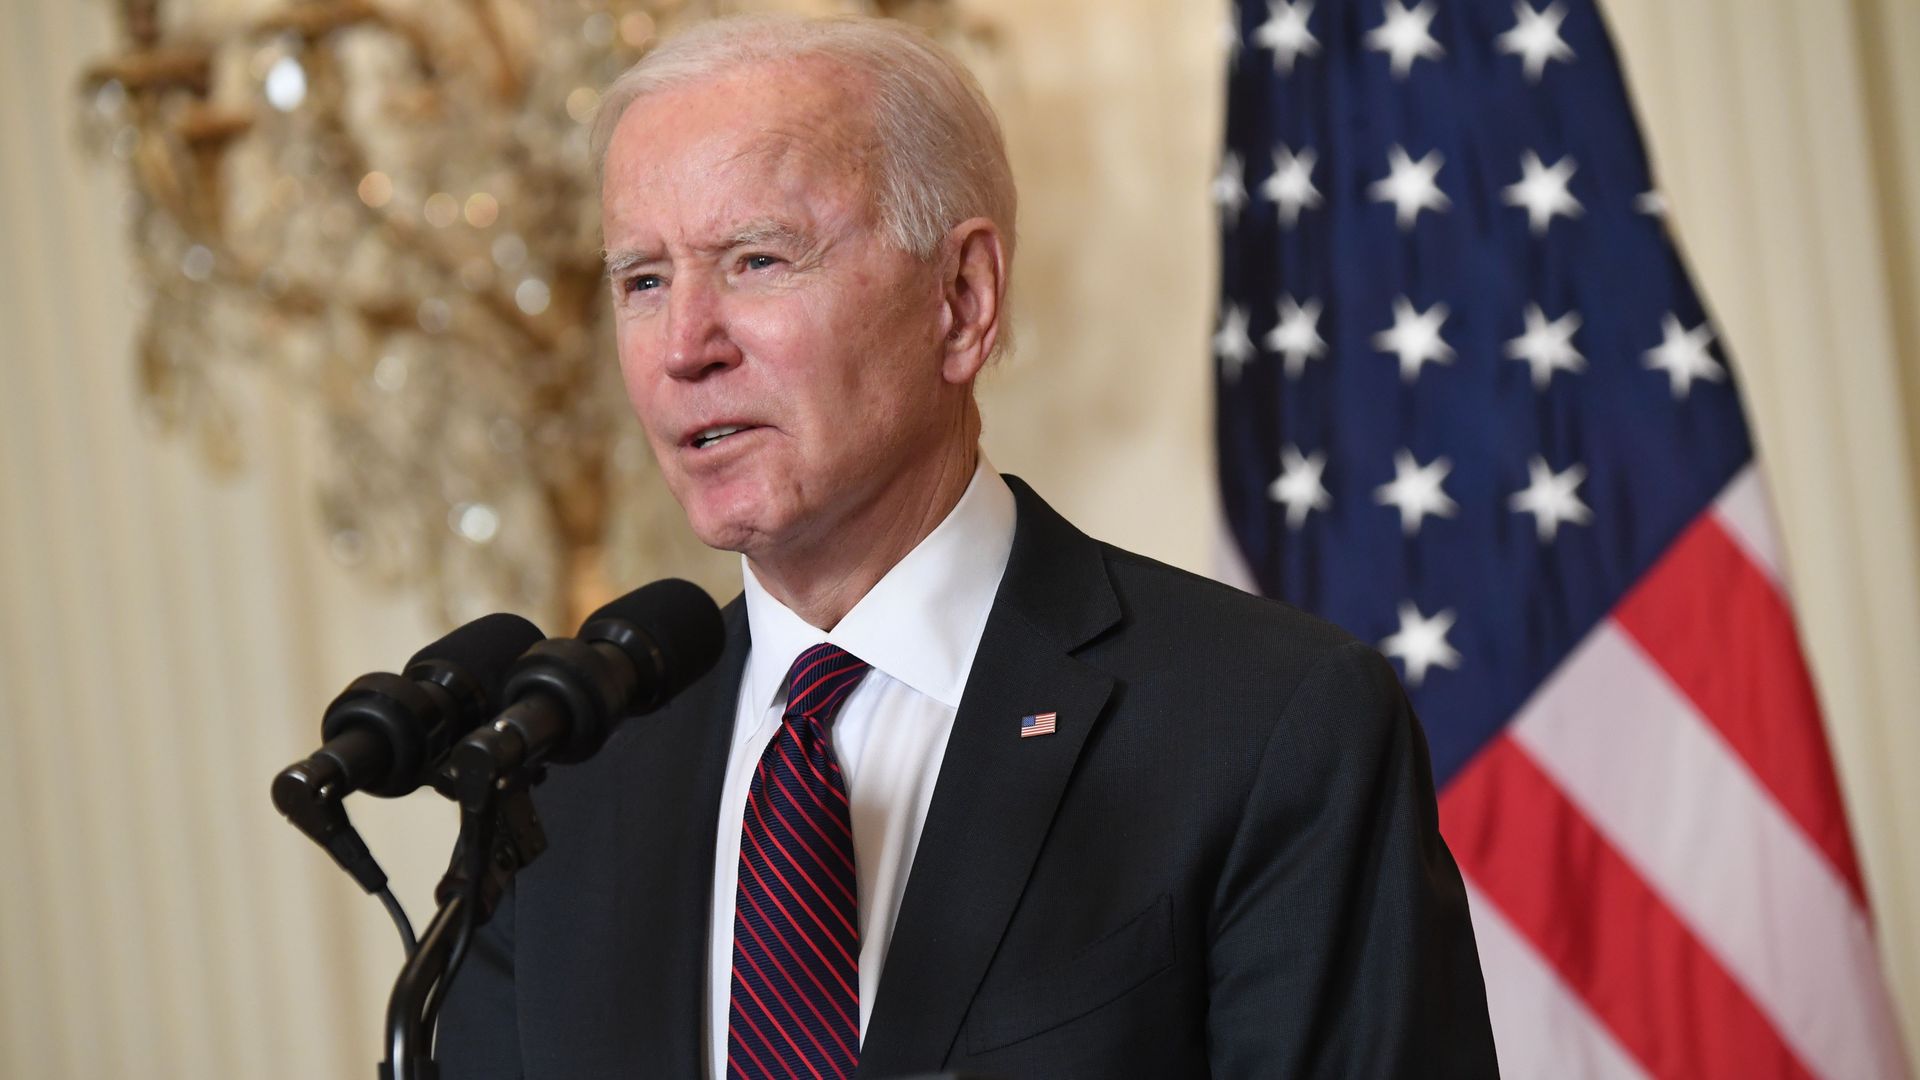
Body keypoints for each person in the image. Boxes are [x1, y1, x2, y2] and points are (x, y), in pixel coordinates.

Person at [438, 13, 1497, 1079]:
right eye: (643, 281)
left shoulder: (1270, 727)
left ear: (962, 301)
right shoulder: (559, 792)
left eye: (755, 260)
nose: (683, 348)